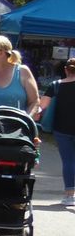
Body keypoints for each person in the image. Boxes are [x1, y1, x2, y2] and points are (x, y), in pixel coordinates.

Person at [36, 58, 75, 206]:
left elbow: (42, 106)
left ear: (66, 70)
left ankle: (70, 195)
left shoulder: (55, 86)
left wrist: (35, 114)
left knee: (69, 161)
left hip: (62, 128)